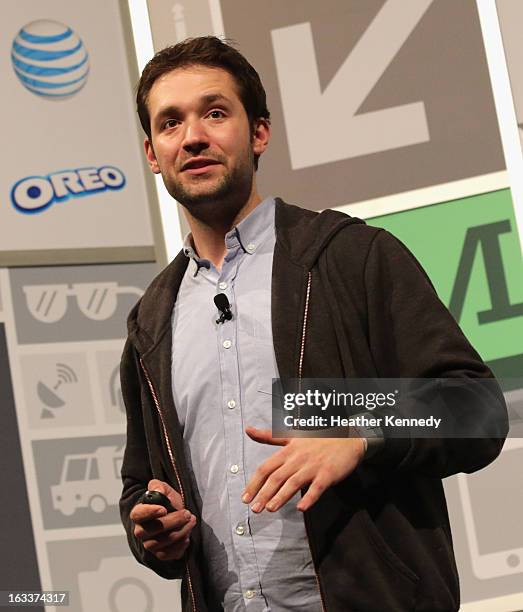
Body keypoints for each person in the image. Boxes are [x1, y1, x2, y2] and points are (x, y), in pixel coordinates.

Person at [119, 36, 508, 612]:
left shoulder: (350, 256)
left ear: (259, 133)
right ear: (153, 153)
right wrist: (153, 530)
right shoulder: (153, 318)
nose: (193, 136)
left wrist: (358, 435)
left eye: (216, 113)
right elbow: (141, 483)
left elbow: (477, 408)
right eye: (170, 123)